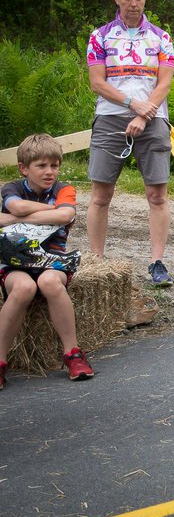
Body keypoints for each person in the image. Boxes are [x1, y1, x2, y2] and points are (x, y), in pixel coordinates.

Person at [85, 0, 174, 287]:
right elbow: (97, 82)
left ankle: (157, 262)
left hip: (153, 118)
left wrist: (144, 112)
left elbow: (164, 83)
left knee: (157, 194)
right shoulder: (100, 37)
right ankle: (96, 262)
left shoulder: (161, 38)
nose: (134, 4)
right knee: (101, 194)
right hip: (111, 116)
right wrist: (131, 105)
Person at [0, 134, 92, 389]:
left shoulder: (64, 189)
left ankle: (73, 353)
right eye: (41, 166)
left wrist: (16, 218)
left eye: (54, 165)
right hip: (16, 260)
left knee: (50, 282)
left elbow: (64, 216)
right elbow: (17, 208)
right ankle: (0, 360)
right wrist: (52, 213)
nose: (50, 172)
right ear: (24, 168)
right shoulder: (12, 188)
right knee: (23, 288)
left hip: (53, 260)